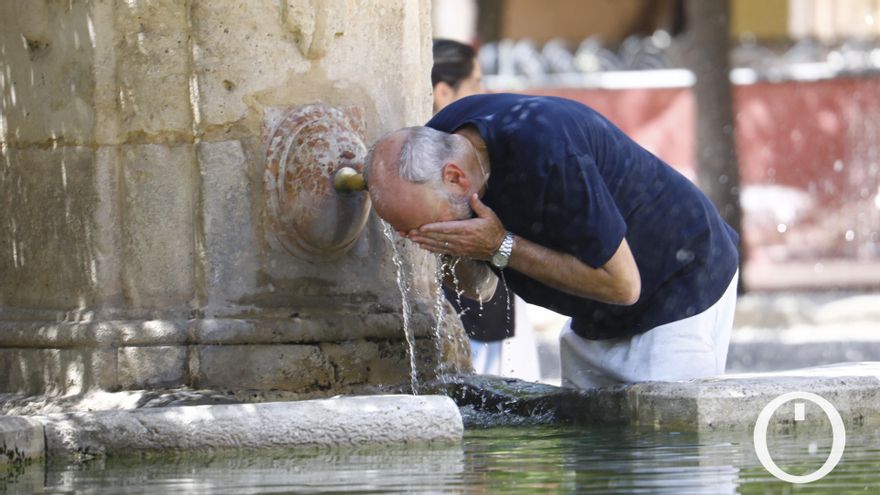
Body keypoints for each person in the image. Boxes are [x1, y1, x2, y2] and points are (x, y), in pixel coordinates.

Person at [365, 93, 740, 388]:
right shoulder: (442, 140)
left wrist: (500, 246)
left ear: (455, 178)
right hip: (595, 318)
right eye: (406, 231)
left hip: (680, 286)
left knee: (669, 460)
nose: (414, 237)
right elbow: (478, 289)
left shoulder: (548, 153)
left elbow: (625, 285)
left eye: (422, 226)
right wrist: (460, 250)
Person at [431, 39, 531, 377]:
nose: (483, 91)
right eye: (476, 82)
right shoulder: (458, 158)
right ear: (443, 91)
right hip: (476, 317)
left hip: (487, 311)